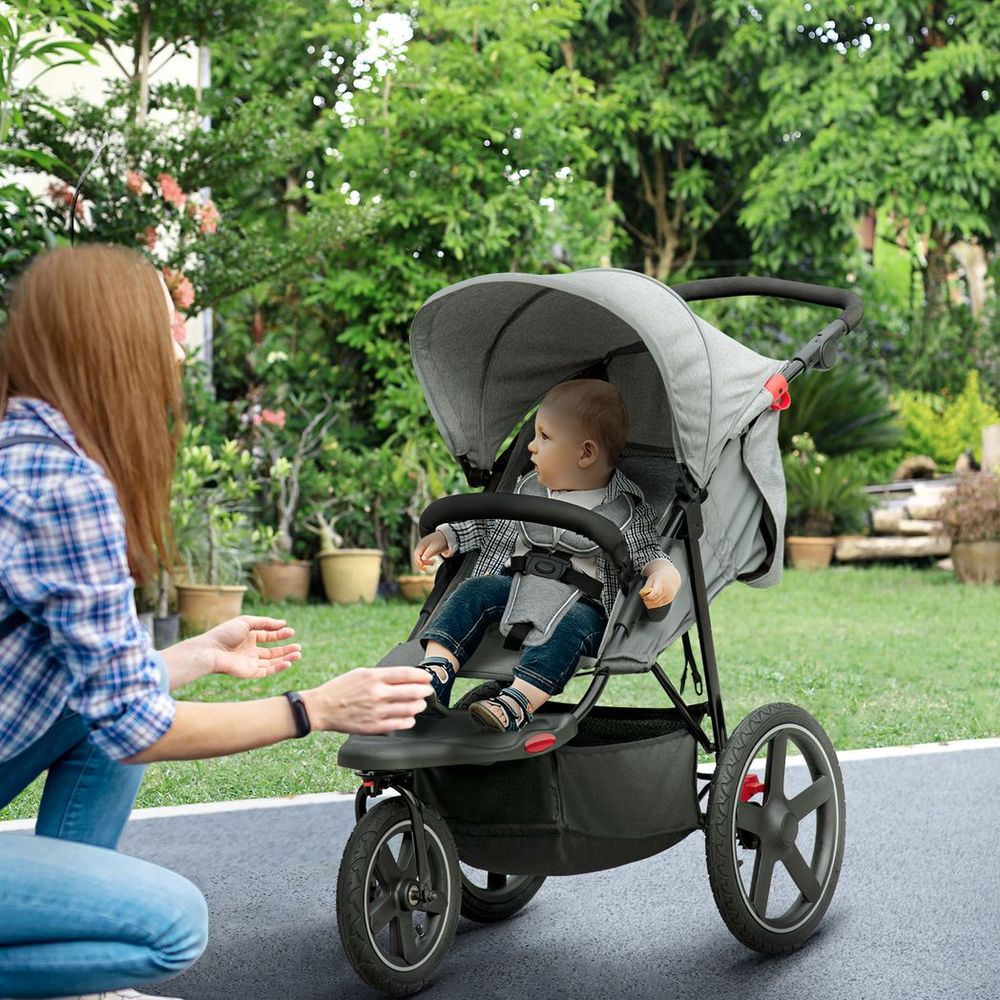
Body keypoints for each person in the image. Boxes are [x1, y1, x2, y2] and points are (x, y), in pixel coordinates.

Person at [0, 245, 434, 1000]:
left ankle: (73, 984)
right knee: (170, 926)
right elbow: (138, 725)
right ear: (112, 343)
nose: (175, 353)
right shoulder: (65, 485)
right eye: (166, 333)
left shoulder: (25, 446)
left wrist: (197, 654)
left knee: (106, 724)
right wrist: (315, 710)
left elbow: (98, 691)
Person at [411, 379, 683, 732]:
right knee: (472, 591)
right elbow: (490, 525)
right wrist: (447, 536)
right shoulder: (528, 488)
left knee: (569, 632)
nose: (531, 447)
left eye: (544, 437)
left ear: (585, 454)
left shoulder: (623, 508)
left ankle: (518, 700)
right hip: (515, 585)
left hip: (582, 604)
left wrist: (664, 573)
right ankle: (434, 670)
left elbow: (646, 550)